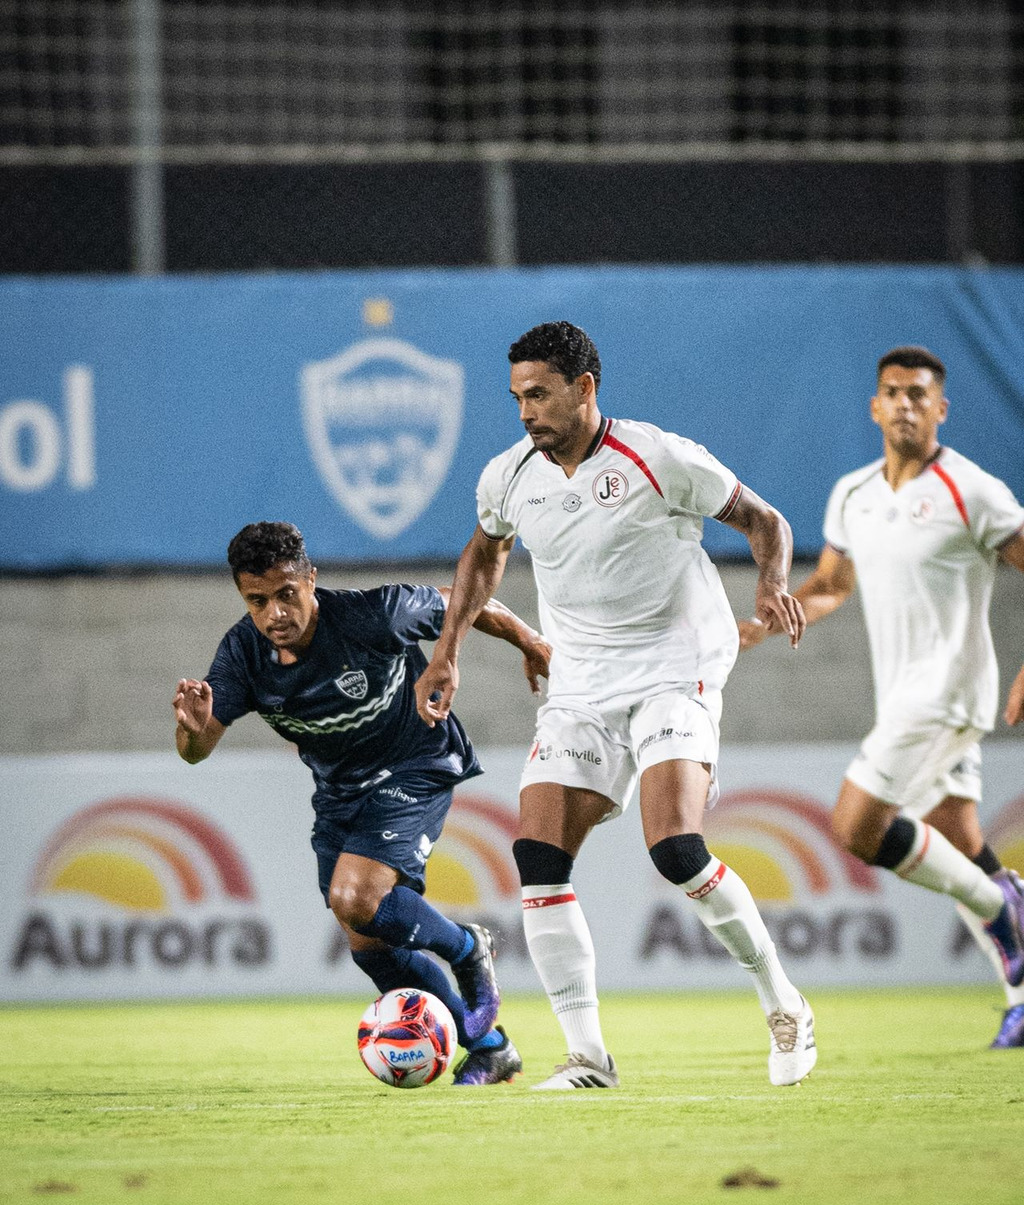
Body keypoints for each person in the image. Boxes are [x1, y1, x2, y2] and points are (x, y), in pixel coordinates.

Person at [414, 320, 817, 1089]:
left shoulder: (659, 457)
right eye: (516, 398)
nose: (526, 412)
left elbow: (766, 522)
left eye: (539, 394)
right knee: (537, 857)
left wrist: (769, 582)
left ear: (584, 387)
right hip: (582, 683)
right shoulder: (509, 475)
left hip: (676, 667)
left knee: (676, 852)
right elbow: (485, 551)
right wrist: (448, 650)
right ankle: (588, 1059)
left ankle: (784, 1002)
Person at [173, 521, 551, 1083]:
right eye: (258, 601)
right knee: (367, 943)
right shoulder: (242, 654)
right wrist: (193, 730)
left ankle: (468, 947)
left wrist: (532, 641)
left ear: (311, 581)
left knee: (354, 896)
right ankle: (490, 1045)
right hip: (340, 794)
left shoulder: (373, 615)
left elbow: (463, 602)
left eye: (286, 594)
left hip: (415, 765)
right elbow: (196, 751)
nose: (275, 613)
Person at [739, 346, 1024, 1048]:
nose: (904, 404)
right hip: (899, 693)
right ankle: (1021, 987)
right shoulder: (854, 493)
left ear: (940, 409)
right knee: (959, 841)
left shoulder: (972, 490)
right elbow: (833, 586)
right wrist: (763, 623)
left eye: (918, 395)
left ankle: (1005, 908)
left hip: (950, 691)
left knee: (856, 826)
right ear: (874, 406)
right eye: (892, 393)